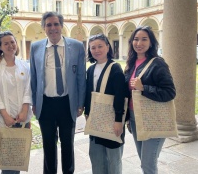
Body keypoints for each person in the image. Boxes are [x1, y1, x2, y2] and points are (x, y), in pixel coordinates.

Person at [30, 11, 86, 174]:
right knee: (48, 144)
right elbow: (33, 77)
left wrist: (80, 103)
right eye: (48, 24)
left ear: (61, 26)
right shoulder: (35, 47)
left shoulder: (76, 46)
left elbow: (81, 77)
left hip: (67, 102)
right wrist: (34, 102)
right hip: (45, 103)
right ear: (44, 28)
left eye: (56, 24)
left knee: (68, 143)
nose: (53, 28)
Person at [124, 26, 176, 174]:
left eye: (144, 39)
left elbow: (170, 92)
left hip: (154, 119)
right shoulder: (131, 64)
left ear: (151, 43)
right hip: (135, 119)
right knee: (144, 161)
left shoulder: (157, 63)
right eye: (136, 39)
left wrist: (144, 88)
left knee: (148, 165)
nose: (139, 43)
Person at [0, 31, 32, 174]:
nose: (10, 45)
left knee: (18, 160)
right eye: (6, 43)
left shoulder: (24, 65)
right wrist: (5, 116)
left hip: (22, 119)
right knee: (7, 162)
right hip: (3, 121)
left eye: (12, 42)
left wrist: (24, 110)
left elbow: (28, 89)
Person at [84, 34, 126, 174]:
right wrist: (87, 113)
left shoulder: (115, 68)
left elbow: (120, 95)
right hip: (96, 119)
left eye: (100, 46)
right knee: (96, 157)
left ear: (108, 47)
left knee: (113, 159)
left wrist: (118, 120)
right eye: (93, 47)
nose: (97, 50)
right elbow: (88, 94)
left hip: (112, 119)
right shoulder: (90, 70)